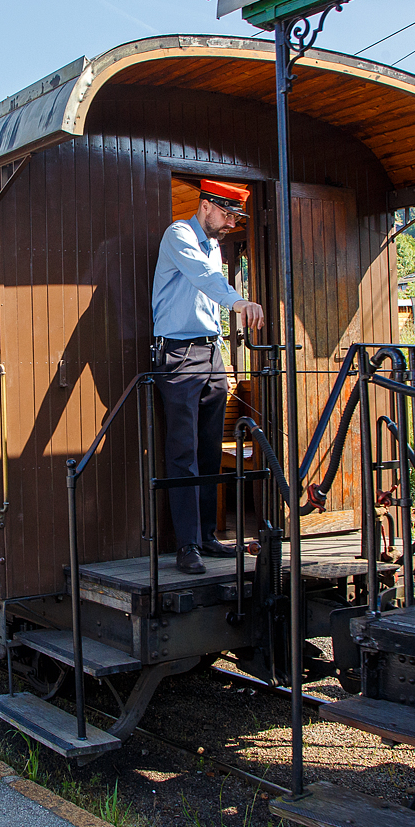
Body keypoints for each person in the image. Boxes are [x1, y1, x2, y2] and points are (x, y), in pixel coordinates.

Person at [151, 180, 266, 575]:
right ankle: (186, 545)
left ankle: (205, 535)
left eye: (237, 216)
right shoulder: (179, 235)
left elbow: (206, 293)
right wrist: (238, 301)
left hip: (210, 351)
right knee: (182, 450)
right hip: (179, 355)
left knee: (208, 449)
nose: (232, 222)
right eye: (228, 214)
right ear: (205, 206)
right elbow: (204, 279)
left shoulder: (215, 245)